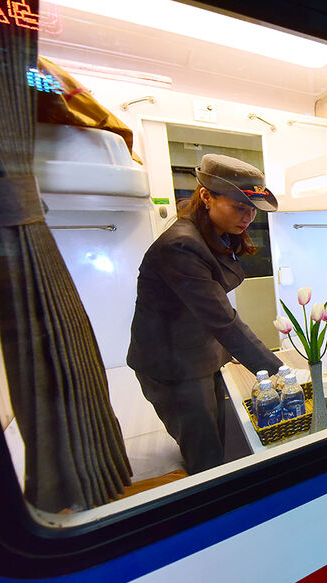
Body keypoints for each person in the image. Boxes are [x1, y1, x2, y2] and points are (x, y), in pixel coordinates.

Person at [127, 154, 283, 474]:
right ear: (206, 196)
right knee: (205, 456)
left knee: (219, 433)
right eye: (239, 206)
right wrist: (277, 371)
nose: (248, 217)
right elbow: (222, 318)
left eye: (252, 208)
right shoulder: (181, 245)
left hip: (198, 348)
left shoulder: (217, 235)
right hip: (171, 363)